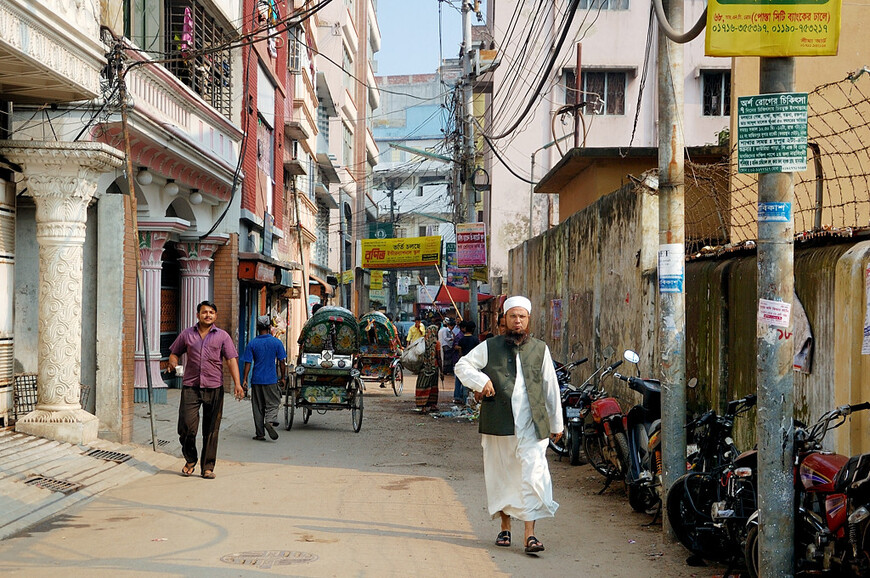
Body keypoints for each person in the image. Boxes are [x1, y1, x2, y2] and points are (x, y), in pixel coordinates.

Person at [454, 296, 563, 555]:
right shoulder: (489, 347)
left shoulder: (540, 349)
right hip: (498, 423)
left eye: (522, 317)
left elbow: (551, 387)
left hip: (532, 425)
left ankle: (530, 535)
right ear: (503, 320)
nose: (517, 321)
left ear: (528, 319)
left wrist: (557, 423)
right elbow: (462, 365)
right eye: (512, 316)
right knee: (501, 475)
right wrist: (480, 381)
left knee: (533, 475)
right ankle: (505, 527)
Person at [167, 300, 244, 480]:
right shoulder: (187, 334)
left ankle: (207, 467)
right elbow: (174, 352)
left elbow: (231, 359)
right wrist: (173, 362)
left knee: (211, 429)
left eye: (211, 312)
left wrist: (238, 384)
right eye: (204, 312)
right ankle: (190, 459)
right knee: (186, 427)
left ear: (215, 316)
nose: (207, 315)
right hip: (191, 387)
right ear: (197, 315)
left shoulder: (223, 336)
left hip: (214, 387)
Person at [241, 315, 287, 441]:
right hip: (271, 379)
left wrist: (244, 380)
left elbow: (248, 363)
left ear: (257, 328)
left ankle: (260, 434)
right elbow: (282, 361)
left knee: (258, 406)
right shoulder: (276, 342)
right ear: (269, 327)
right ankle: (270, 421)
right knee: (273, 402)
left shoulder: (252, 343)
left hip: (256, 380)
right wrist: (283, 377)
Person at [414, 325, 441, 414]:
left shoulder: (422, 342)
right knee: (433, 387)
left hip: (423, 368)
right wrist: (442, 370)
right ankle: (433, 405)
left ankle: (423, 407)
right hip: (434, 368)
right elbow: (439, 357)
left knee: (423, 386)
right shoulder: (437, 343)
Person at [453, 321, 478, 404]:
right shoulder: (475, 340)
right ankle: (465, 398)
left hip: (463, 361)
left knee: (460, 379)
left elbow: (460, 351)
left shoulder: (462, 339)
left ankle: (458, 397)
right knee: (468, 381)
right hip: (472, 363)